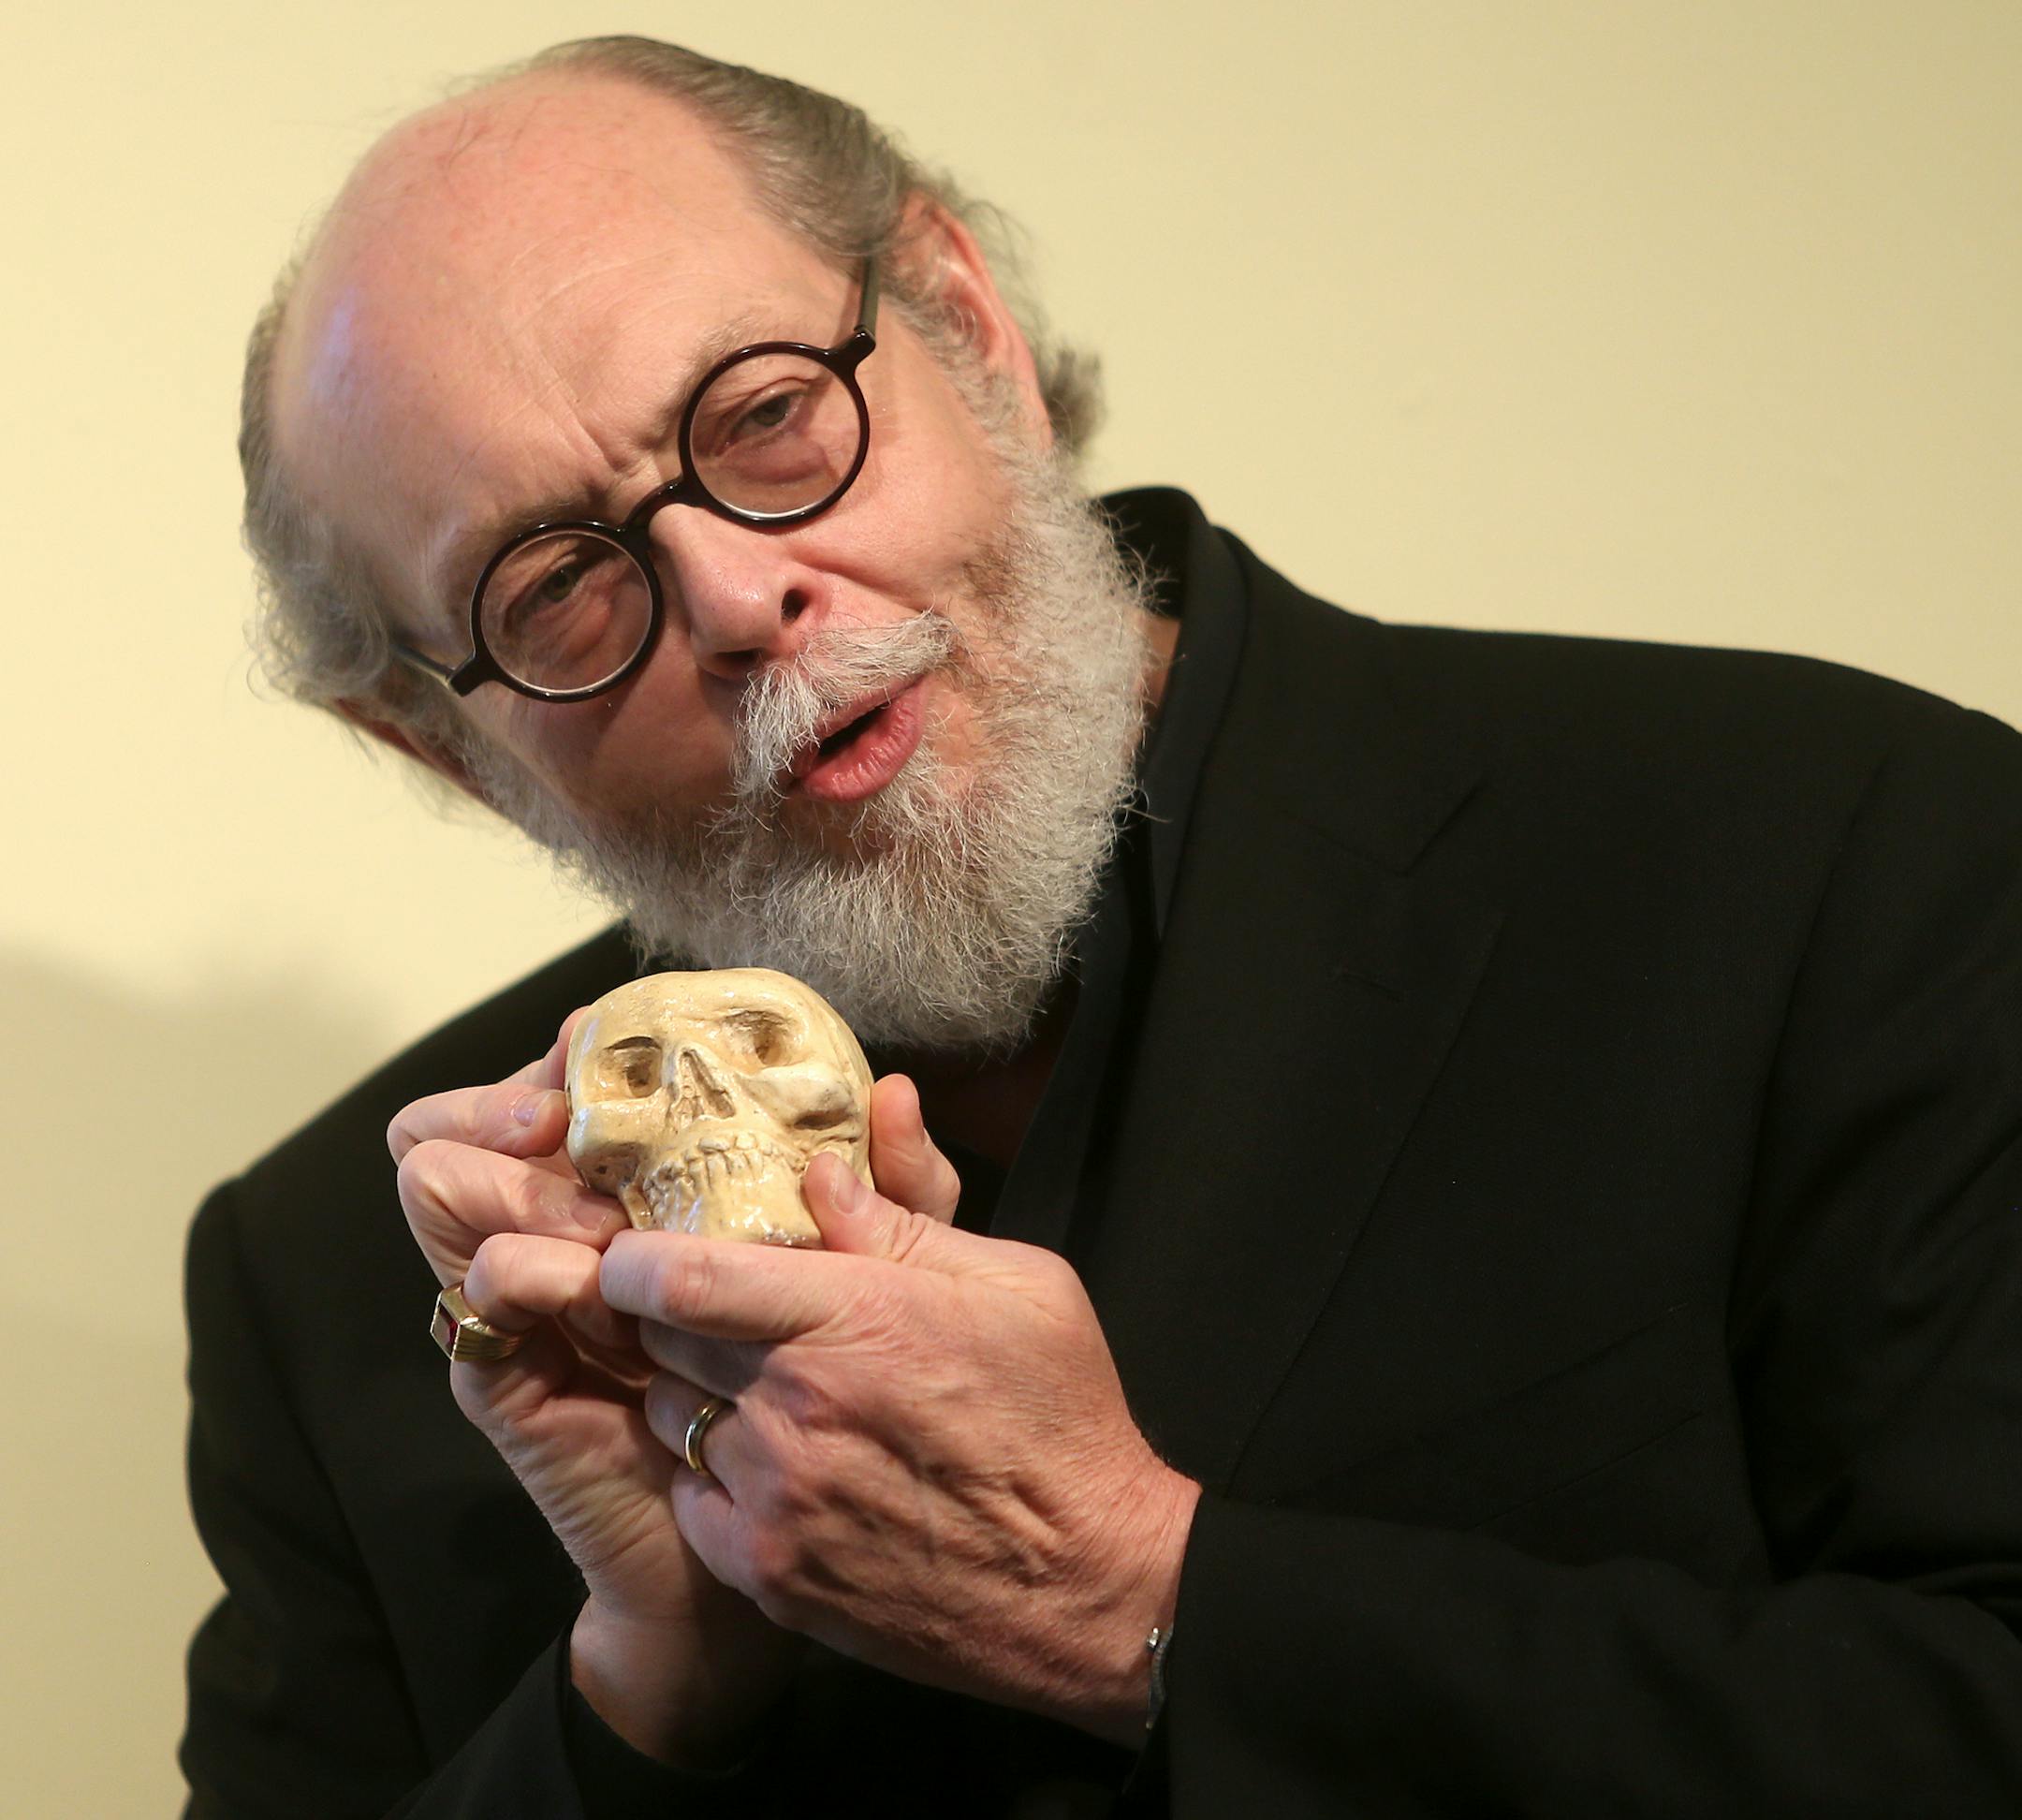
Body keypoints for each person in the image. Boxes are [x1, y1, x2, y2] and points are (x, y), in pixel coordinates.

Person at [183, 33, 2022, 1818]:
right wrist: (646, 1702)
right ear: (439, 738)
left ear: (969, 330)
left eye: (763, 417)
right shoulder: (348, 1289)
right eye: (561, 589)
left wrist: (1144, 1597)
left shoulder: (1840, 854)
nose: (741, 596)